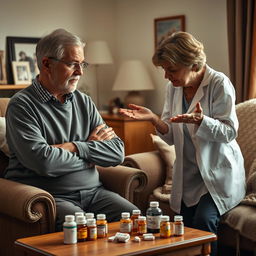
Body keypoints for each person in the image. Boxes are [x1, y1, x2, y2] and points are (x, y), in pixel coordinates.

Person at [120, 31, 246, 256]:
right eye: (165, 70)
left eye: (172, 69)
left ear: (192, 63)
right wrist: (153, 119)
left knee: (203, 220)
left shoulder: (219, 83)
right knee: (183, 228)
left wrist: (202, 121)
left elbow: (229, 132)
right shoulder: (173, 88)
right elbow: (170, 136)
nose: (167, 76)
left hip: (217, 174)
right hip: (189, 174)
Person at [5, 28, 138, 231]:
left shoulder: (84, 101)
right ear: (47, 64)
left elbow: (117, 152)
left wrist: (74, 147)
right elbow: (44, 162)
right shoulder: (22, 105)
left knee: (139, 221)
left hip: (95, 193)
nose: (80, 72)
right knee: (84, 230)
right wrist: (92, 150)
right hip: (52, 197)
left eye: (82, 64)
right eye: (72, 64)